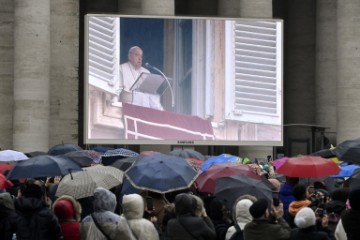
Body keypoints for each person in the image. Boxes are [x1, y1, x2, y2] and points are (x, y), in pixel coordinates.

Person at [118, 46, 164, 110]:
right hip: (128, 108)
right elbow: (117, 91)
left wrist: (160, 110)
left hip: (145, 109)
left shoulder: (146, 72)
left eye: (141, 56)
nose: (140, 58)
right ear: (129, 56)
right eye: (136, 55)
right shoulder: (121, 69)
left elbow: (152, 94)